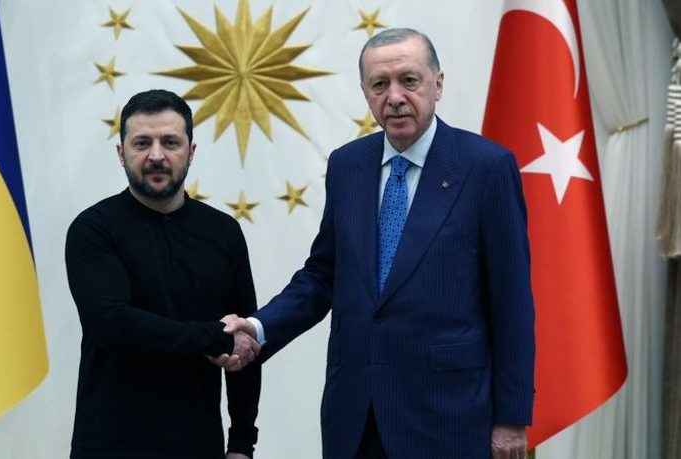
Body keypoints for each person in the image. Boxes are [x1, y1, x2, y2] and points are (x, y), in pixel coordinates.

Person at [221, 28, 535, 458]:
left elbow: (512, 301)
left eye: (409, 80)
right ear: (366, 93)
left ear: (438, 84)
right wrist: (258, 328)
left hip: (449, 417)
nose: (395, 97)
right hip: (355, 417)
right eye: (380, 85)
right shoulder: (347, 165)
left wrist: (511, 418)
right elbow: (323, 275)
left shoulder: (486, 167)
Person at [65, 89, 261, 458]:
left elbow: (245, 342)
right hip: (108, 447)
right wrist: (214, 338)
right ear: (121, 153)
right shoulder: (93, 229)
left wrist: (241, 444)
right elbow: (113, 324)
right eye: (142, 143)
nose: (156, 155)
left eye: (170, 142)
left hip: (199, 446)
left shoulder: (224, 232)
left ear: (191, 151)